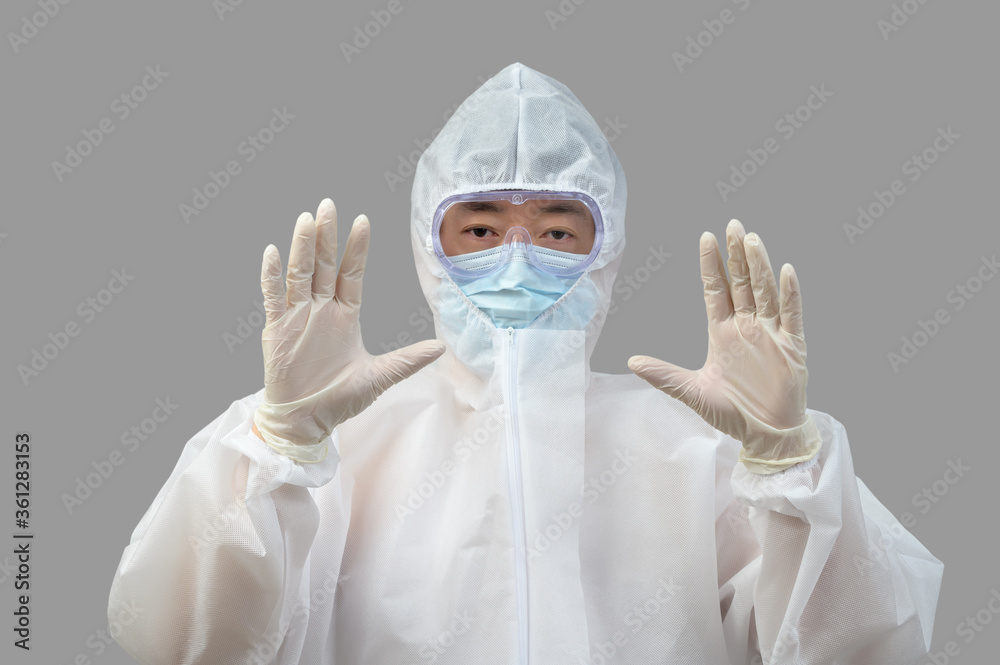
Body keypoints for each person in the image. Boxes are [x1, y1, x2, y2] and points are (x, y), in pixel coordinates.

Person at [108, 62, 942, 665]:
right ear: (428, 247)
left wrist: (790, 465)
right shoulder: (334, 445)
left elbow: (872, 650)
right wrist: (276, 445)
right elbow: (174, 642)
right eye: (476, 231)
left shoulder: (695, 446)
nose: (516, 258)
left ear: (603, 247)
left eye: (556, 230)